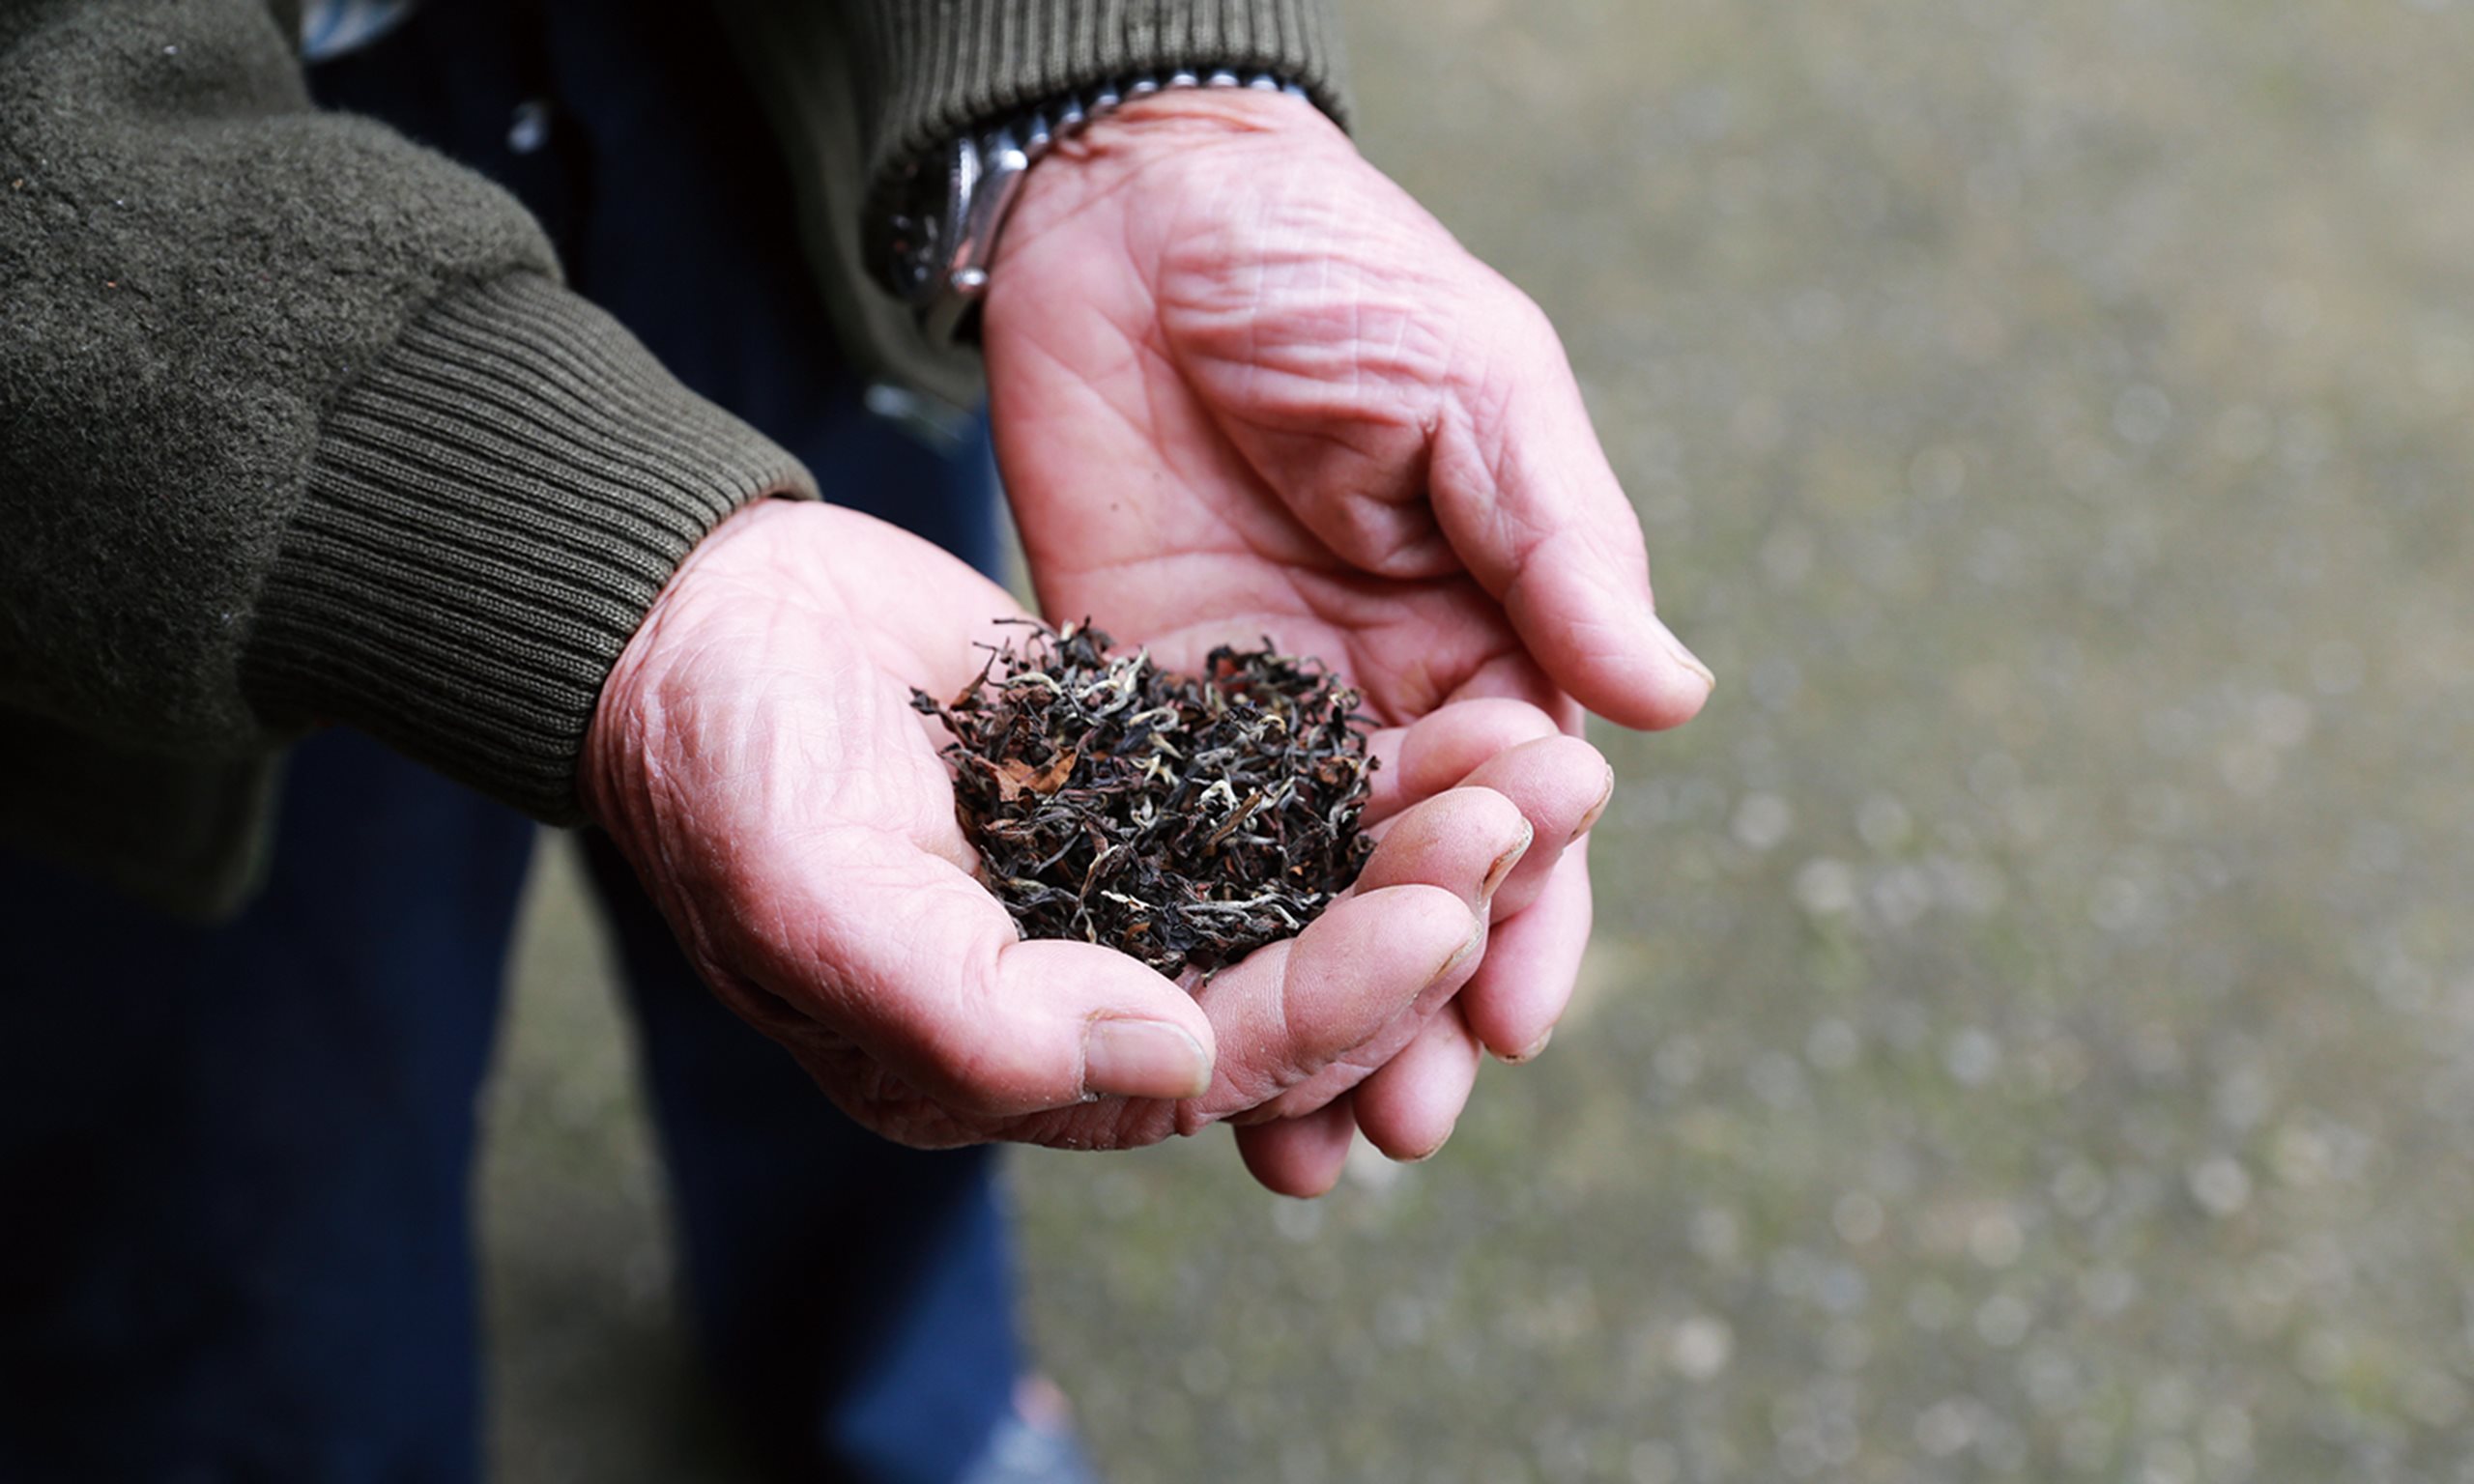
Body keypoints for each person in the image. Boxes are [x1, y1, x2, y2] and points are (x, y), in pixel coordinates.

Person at [0, 0, 1713, 1480]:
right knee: (249, 1170)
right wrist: (393, 457)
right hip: (153, 396)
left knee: (891, 947)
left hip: (797, 144)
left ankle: (896, 1386)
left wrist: (1126, 87)